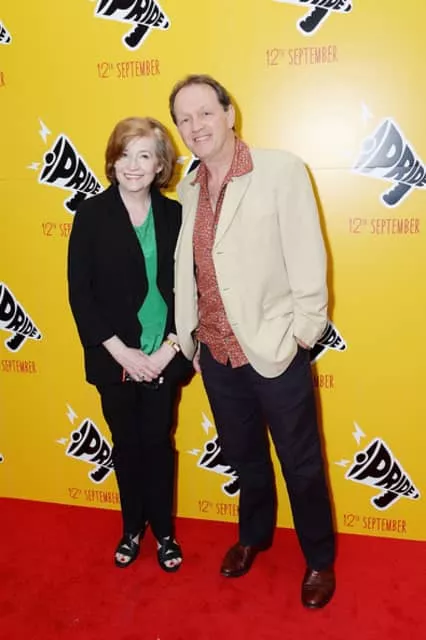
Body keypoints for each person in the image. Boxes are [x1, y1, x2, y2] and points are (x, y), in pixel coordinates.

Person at [169, 75, 336, 608]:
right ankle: (254, 536)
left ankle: (319, 559)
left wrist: (303, 334)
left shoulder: (280, 170)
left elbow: (308, 256)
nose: (195, 125)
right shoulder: (188, 188)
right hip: (216, 354)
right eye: (184, 119)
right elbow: (193, 271)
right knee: (245, 458)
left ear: (229, 113)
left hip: (275, 350)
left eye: (204, 112)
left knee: (301, 463)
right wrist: (191, 339)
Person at [68, 116, 190, 572]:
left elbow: (192, 288)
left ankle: (165, 532)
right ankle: (131, 528)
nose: (133, 165)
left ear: (160, 164)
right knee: (126, 444)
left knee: (158, 443)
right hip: (114, 357)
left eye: (144, 155)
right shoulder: (91, 215)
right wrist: (122, 353)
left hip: (164, 354)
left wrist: (168, 350)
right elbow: (81, 294)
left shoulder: (176, 215)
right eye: (124, 155)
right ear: (112, 161)